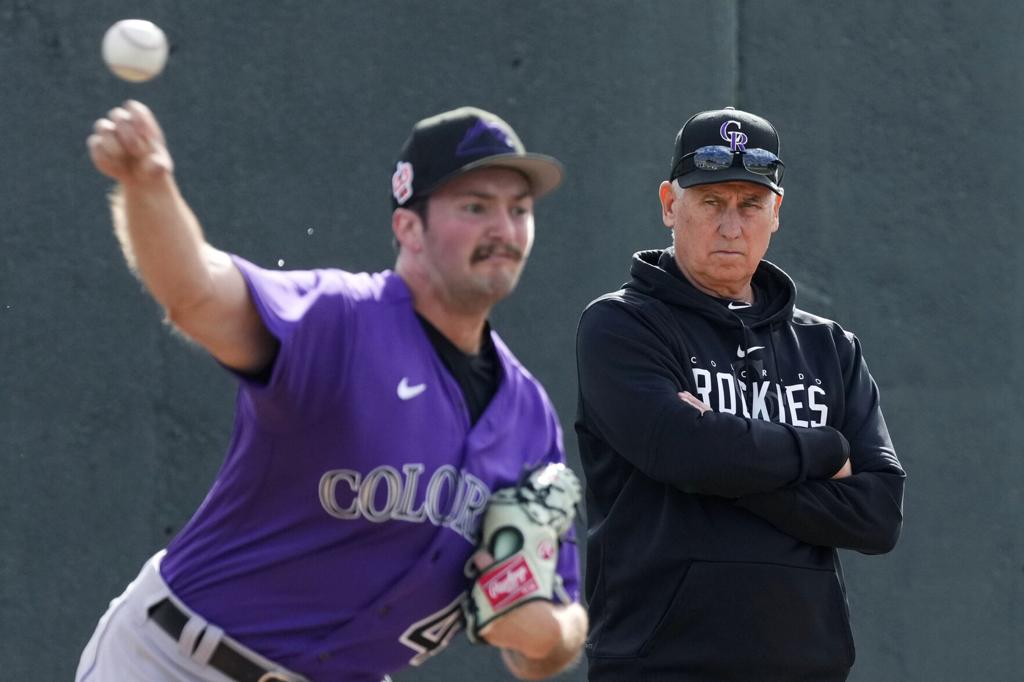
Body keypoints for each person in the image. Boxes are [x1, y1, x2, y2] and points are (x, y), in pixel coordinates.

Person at [78, 102, 587, 682]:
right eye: (475, 207)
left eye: (519, 210)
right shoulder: (339, 321)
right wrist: (149, 184)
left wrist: (547, 632)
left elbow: (555, 634)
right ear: (408, 228)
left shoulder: (529, 420)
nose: (504, 229)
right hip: (179, 663)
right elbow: (195, 294)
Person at [575, 107, 905, 681]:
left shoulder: (829, 347)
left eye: (750, 204)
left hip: (805, 666)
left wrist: (717, 467)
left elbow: (877, 516)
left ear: (775, 212)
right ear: (669, 205)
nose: (732, 225)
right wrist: (823, 451)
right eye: (710, 202)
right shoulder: (621, 326)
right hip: (659, 665)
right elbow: (677, 450)